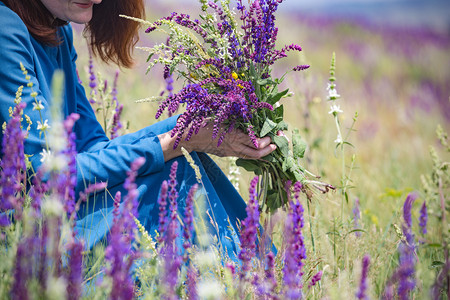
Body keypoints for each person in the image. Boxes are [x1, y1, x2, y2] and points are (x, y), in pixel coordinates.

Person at [0, 0, 277, 259]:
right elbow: (46, 174)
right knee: (175, 175)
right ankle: (255, 274)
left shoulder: (54, 32)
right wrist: (174, 143)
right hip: (28, 240)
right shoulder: (5, 29)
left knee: (181, 161)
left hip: (62, 214)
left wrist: (190, 130)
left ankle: (255, 274)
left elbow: (91, 147)